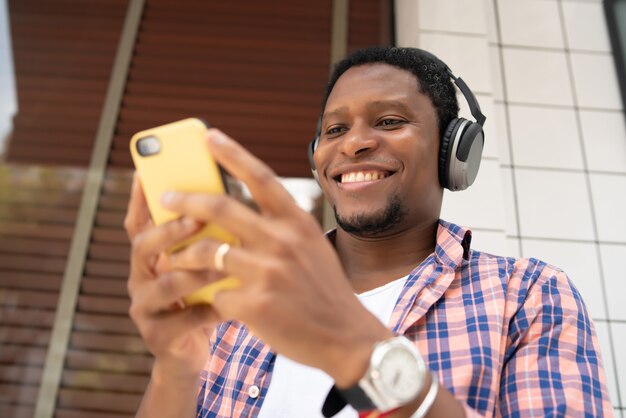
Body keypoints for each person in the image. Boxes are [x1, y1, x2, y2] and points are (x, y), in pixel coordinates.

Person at [125, 46, 613, 417]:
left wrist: (358, 354)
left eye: (390, 121)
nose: (355, 143)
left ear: (454, 152)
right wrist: (175, 367)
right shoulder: (244, 298)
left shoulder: (526, 294)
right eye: (334, 130)